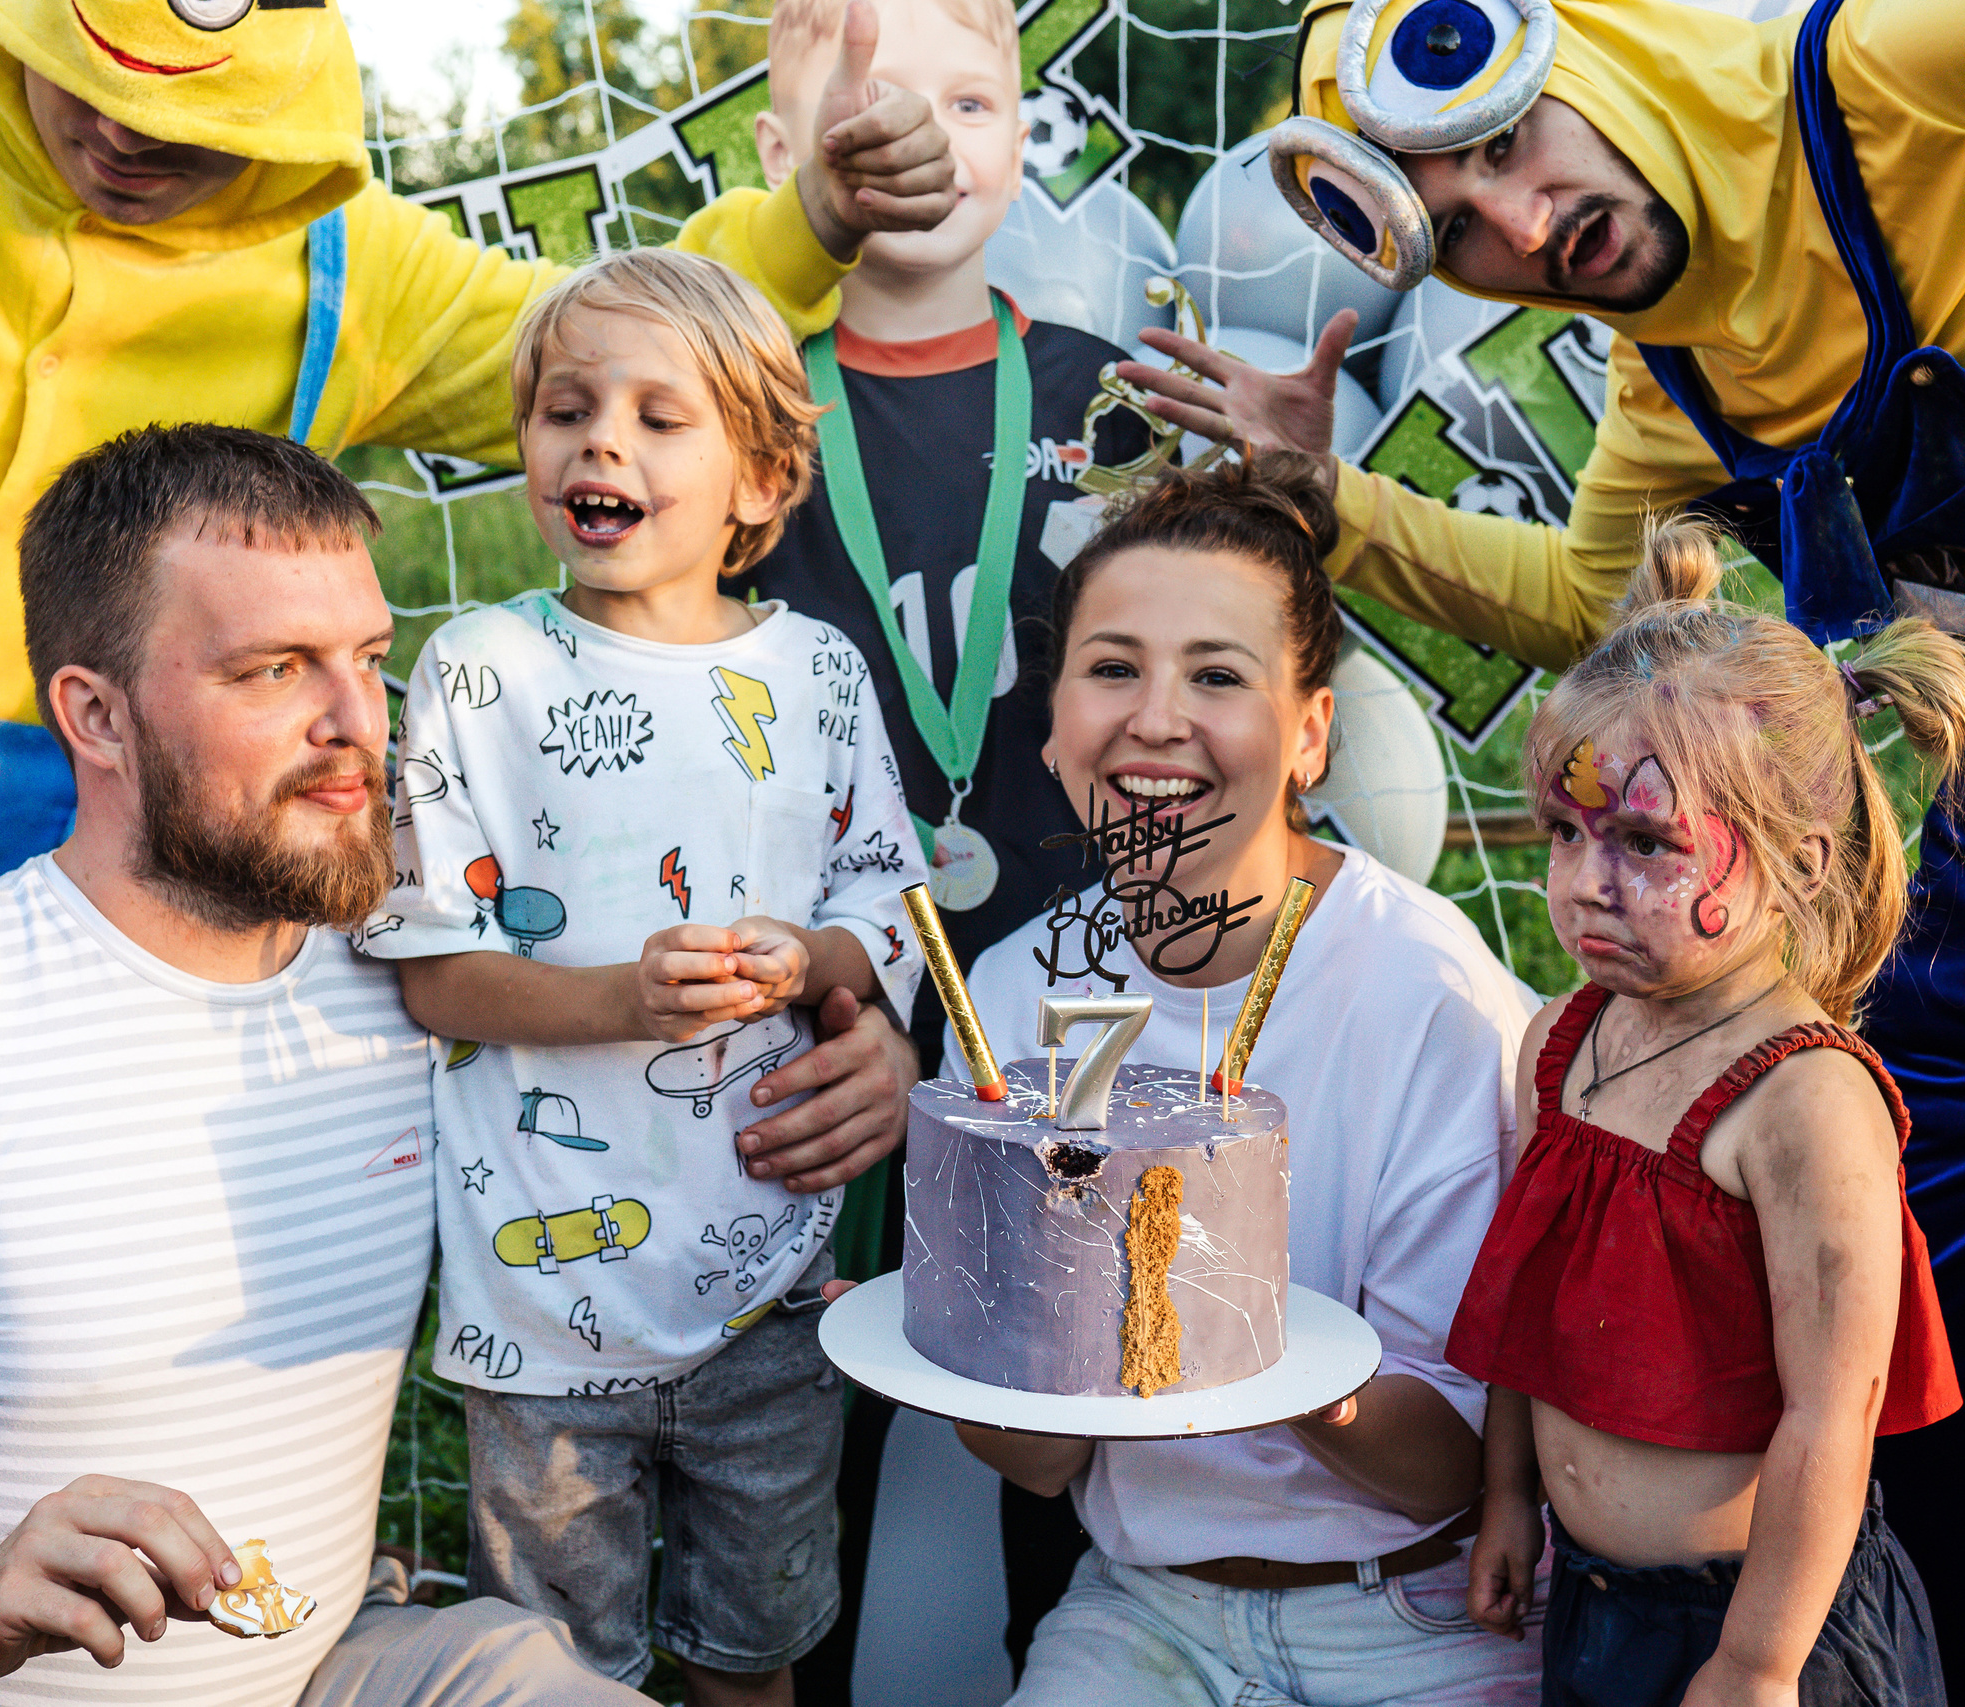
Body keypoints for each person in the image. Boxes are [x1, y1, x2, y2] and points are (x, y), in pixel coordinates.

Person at [1125, 2, 1965, 1697]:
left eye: (1503, 142)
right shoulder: (1668, 367)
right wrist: (1331, 493)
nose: (1523, 221)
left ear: (1583, 52)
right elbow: (1583, 602)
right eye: (1458, 228)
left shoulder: (1896, 78)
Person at [0, 0, 960, 1328]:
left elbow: (616, 341)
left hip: (74, 905)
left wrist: (812, 220)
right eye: (92, 77)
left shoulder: (346, 265)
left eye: (184, 115)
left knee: (0, 1331)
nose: (125, 131)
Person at [0, 424, 648, 1705]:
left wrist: (845, 1049)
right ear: (97, 716)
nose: (359, 724)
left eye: (368, 659)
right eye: (275, 670)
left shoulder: (422, 978)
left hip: (328, 1669)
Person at [358, 250, 924, 1707]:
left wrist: (810, 958)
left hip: (770, 1297)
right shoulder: (479, 668)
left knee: (754, 1657)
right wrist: (625, 999)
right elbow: (436, 973)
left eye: (659, 417)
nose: (599, 442)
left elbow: (888, 906)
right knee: (555, 1673)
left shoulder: (820, 673)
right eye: (567, 410)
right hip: (542, 1315)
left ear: (761, 479)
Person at [945, 454, 1540, 1704]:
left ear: (1309, 733)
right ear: (1053, 724)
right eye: (1113, 668)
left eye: (1217, 676)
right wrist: (969, 1318)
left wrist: (1236, 1324)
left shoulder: (1428, 996)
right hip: (1141, 1606)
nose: (1156, 719)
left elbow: (1445, 1469)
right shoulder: (1007, 996)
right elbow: (1037, 1462)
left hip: (1415, 1614)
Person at [742, 0, 1152, 1679]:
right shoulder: (743, 406)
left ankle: (1079, 1666)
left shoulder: (1110, 395)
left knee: (1075, 1371)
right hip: (826, 998)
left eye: (972, 104)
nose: (927, 141)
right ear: (779, 153)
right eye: (876, 104)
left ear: (1023, 141)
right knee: (797, 1417)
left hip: (1081, 981)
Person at [1446, 518, 1965, 1706]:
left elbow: (1830, 1416)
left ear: (1800, 863)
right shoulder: (1560, 1044)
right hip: (1594, 1604)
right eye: (1564, 834)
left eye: (1646, 842)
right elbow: (1526, 1308)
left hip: (1769, 1628)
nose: (1586, 883)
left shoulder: (1806, 1103)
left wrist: (1757, 1664)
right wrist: (1506, 1497)